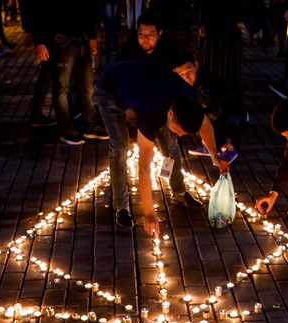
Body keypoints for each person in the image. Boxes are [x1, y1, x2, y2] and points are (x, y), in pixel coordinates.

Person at [92, 58, 227, 236]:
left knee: (171, 144)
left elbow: (205, 124)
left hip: (145, 83)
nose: (180, 134)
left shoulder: (188, 97)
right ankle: (121, 207)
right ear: (170, 114)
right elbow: (144, 169)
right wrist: (149, 213)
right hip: (111, 85)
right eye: (180, 130)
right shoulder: (150, 112)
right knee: (120, 148)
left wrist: (214, 156)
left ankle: (178, 191)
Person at [27, 0, 108, 145]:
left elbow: (90, 6)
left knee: (88, 85)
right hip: (60, 38)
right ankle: (66, 130)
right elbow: (35, 9)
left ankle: (90, 125)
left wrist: (91, 35)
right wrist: (39, 41)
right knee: (61, 88)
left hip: (81, 38)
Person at [172, 52, 248, 159]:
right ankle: (211, 145)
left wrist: (196, 113)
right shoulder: (199, 80)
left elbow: (216, 112)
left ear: (196, 65)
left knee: (197, 119)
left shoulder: (206, 84)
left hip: (234, 117)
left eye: (189, 71)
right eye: (182, 74)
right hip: (229, 114)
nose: (187, 77)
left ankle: (228, 147)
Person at [117, 12, 186, 69]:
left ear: (159, 33)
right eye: (141, 34)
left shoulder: (169, 49)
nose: (145, 39)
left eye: (151, 35)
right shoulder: (129, 49)